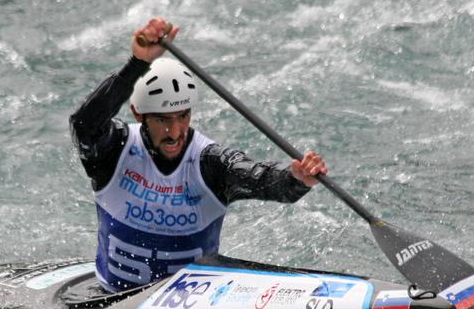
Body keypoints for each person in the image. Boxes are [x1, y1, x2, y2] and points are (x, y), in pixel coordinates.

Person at [70, 17, 327, 293]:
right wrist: (137, 63)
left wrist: (296, 178)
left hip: (192, 308)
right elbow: (84, 125)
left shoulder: (209, 163)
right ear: (138, 114)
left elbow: (261, 178)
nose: (175, 131)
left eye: (183, 116)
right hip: (110, 301)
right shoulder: (114, 151)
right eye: (163, 120)